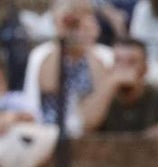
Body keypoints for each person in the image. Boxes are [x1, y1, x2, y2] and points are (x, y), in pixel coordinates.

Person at [22, 0, 114, 136]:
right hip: (48, 131)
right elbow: (50, 85)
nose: (75, 27)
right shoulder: (42, 53)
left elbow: (102, 89)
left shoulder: (105, 54)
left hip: (92, 130)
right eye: (73, 23)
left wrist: (87, 43)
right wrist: (62, 36)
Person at [90, 38, 158, 134]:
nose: (123, 68)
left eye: (131, 62)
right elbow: (84, 126)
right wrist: (109, 85)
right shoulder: (101, 97)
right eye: (118, 61)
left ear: (145, 68)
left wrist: (136, 142)